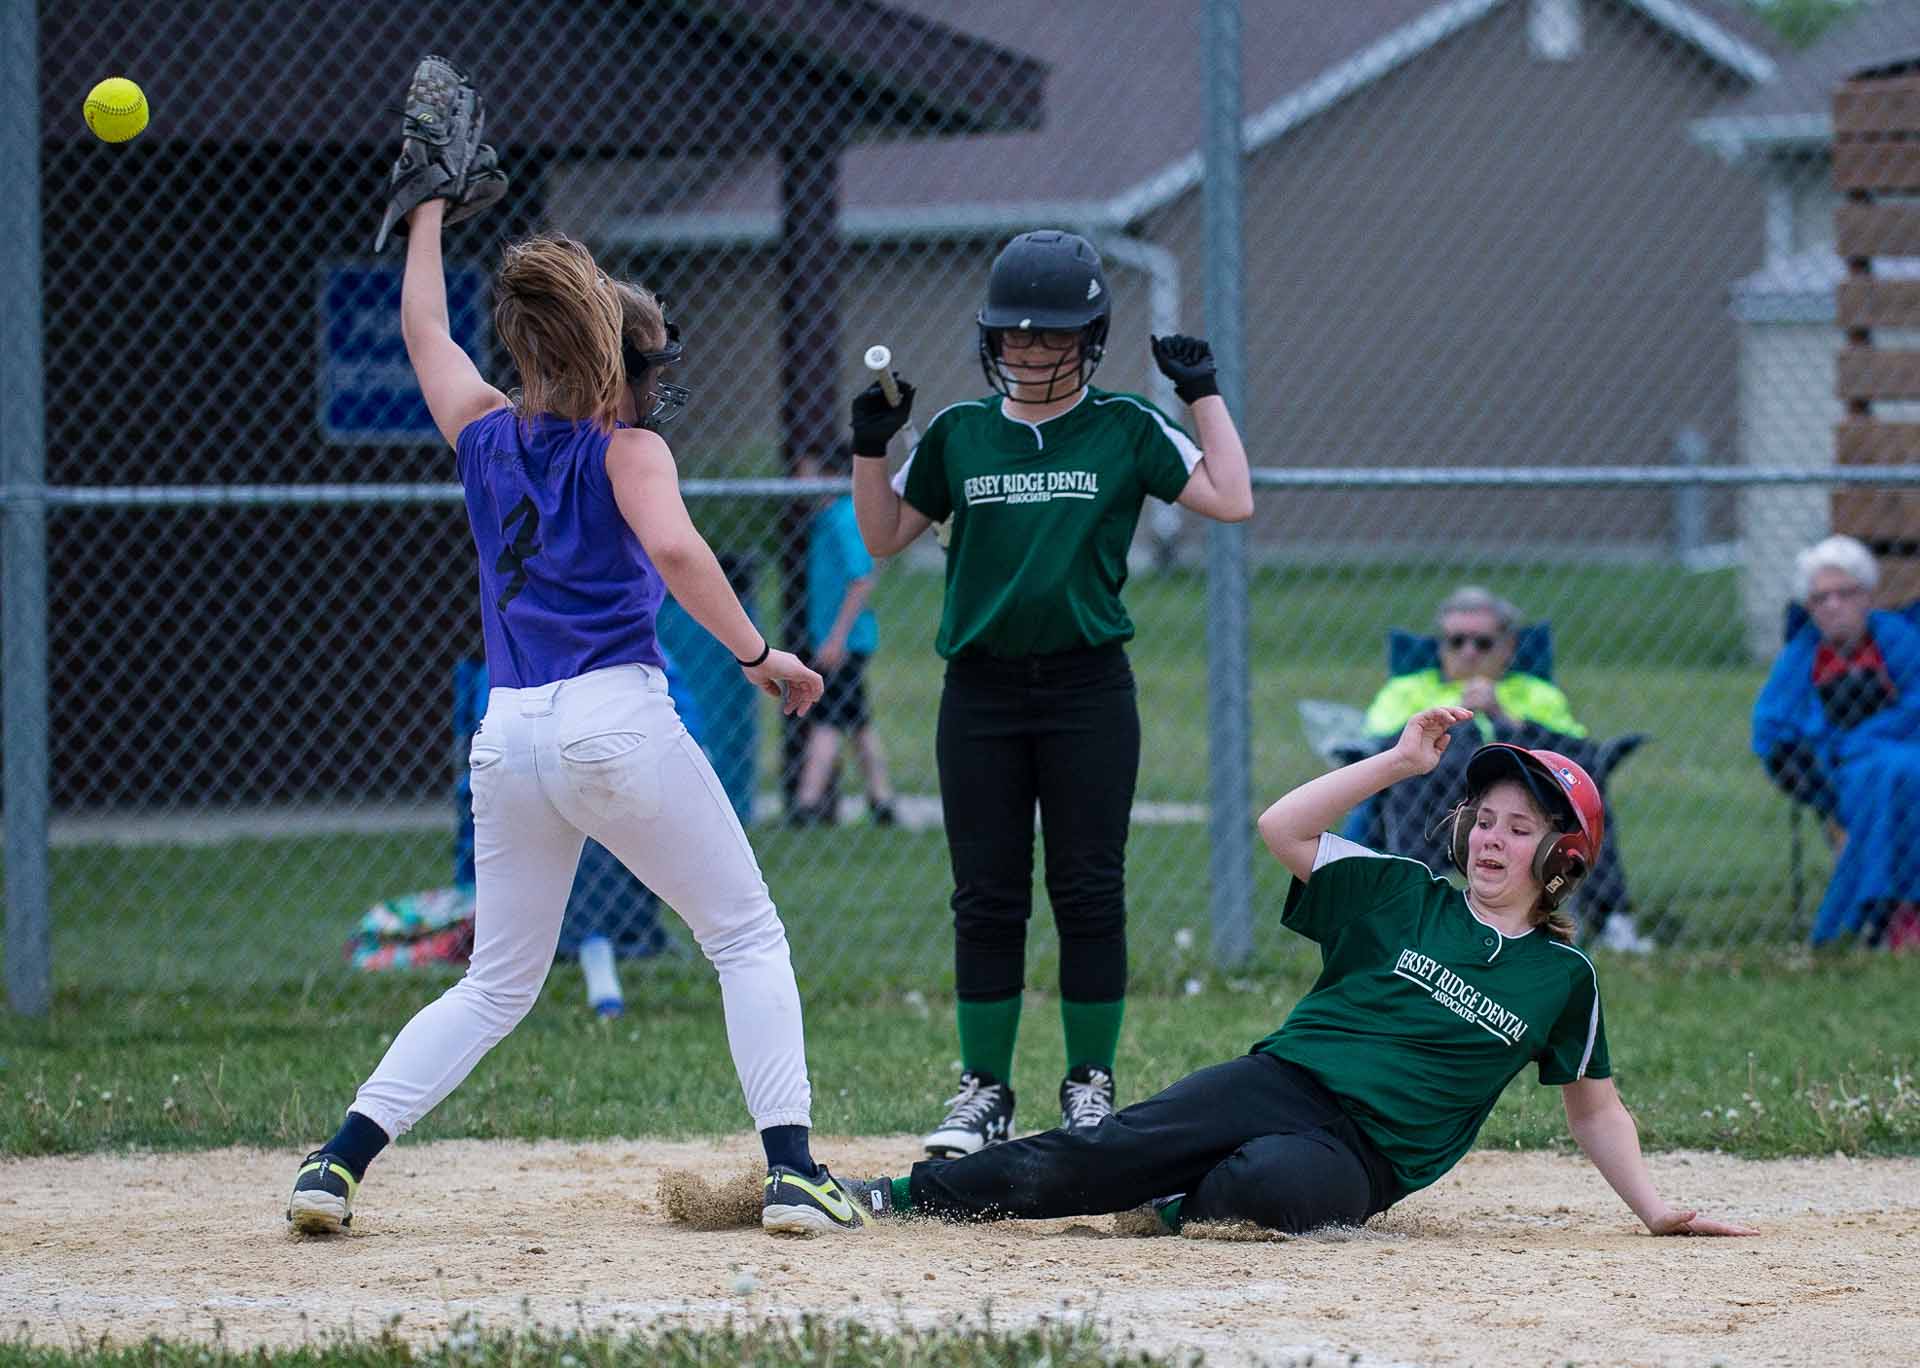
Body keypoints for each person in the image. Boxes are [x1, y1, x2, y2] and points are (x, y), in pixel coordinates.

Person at [288, 63, 866, 1239]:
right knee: (746, 935)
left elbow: (421, 326)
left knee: (498, 982)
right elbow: (680, 553)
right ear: (617, 364)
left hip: (508, 737)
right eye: (647, 367)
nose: (657, 387)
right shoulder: (625, 447)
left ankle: (338, 1160)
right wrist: (762, 655)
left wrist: (428, 208)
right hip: (616, 722)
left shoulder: (486, 434)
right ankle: (797, 1172)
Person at [832, 709, 1757, 1242]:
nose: (1492, 838)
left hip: (1367, 1157)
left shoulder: (1563, 975)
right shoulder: (1404, 895)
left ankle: (1171, 1205)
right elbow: (1284, 827)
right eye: (1486, 818)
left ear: (1561, 859)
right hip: (1280, 1080)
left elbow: (1595, 1109)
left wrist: (1657, 1212)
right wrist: (1397, 762)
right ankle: (900, 1195)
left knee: (1274, 1191)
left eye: (1522, 829)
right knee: (1108, 1149)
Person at [849, 229, 1254, 1157]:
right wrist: (873, 446)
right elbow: (881, 535)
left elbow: (1231, 497)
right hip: (981, 693)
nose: (1032, 351)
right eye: (1017, 337)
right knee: (986, 896)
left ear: (1091, 338)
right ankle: (983, 1089)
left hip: (1086, 690)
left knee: (1088, 889)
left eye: (1054, 337)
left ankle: (1089, 1085)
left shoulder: (1122, 427)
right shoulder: (959, 432)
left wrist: (1202, 393)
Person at [1360, 586, 1652, 955]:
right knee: (1412, 779)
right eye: (1456, 641)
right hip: (1434, 801)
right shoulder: (1408, 691)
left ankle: (1611, 918)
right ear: (1440, 647)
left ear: (1508, 647)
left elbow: (1575, 752)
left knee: (1586, 785)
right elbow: (1377, 746)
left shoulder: (1534, 694)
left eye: (1482, 643)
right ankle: (1413, 911)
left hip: (1531, 805)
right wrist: (1452, 713)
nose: (1468, 652)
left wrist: (1505, 716)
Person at [1753, 535, 1920, 949]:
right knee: (1892, 778)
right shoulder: (1802, 656)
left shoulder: (1896, 639)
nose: (1831, 606)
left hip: (1898, 756)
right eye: (1819, 598)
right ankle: (1887, 915)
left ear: (1867, 596)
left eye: (1844, 594)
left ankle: (1868, 918)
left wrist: (1863, 739)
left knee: (1897, 775)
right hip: (1838, 776)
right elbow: (1771, 725)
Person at [789, 443, 897, 828]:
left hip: (844, 643)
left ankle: (806, 804)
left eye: (808, 473)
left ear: (829, 476)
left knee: (827, 719)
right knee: (858, 722)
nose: (800, 481)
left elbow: (860, 578)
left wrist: (836, 639)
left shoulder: (843, 517)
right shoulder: (826, 519)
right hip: (838, 640)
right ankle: (882, 801)